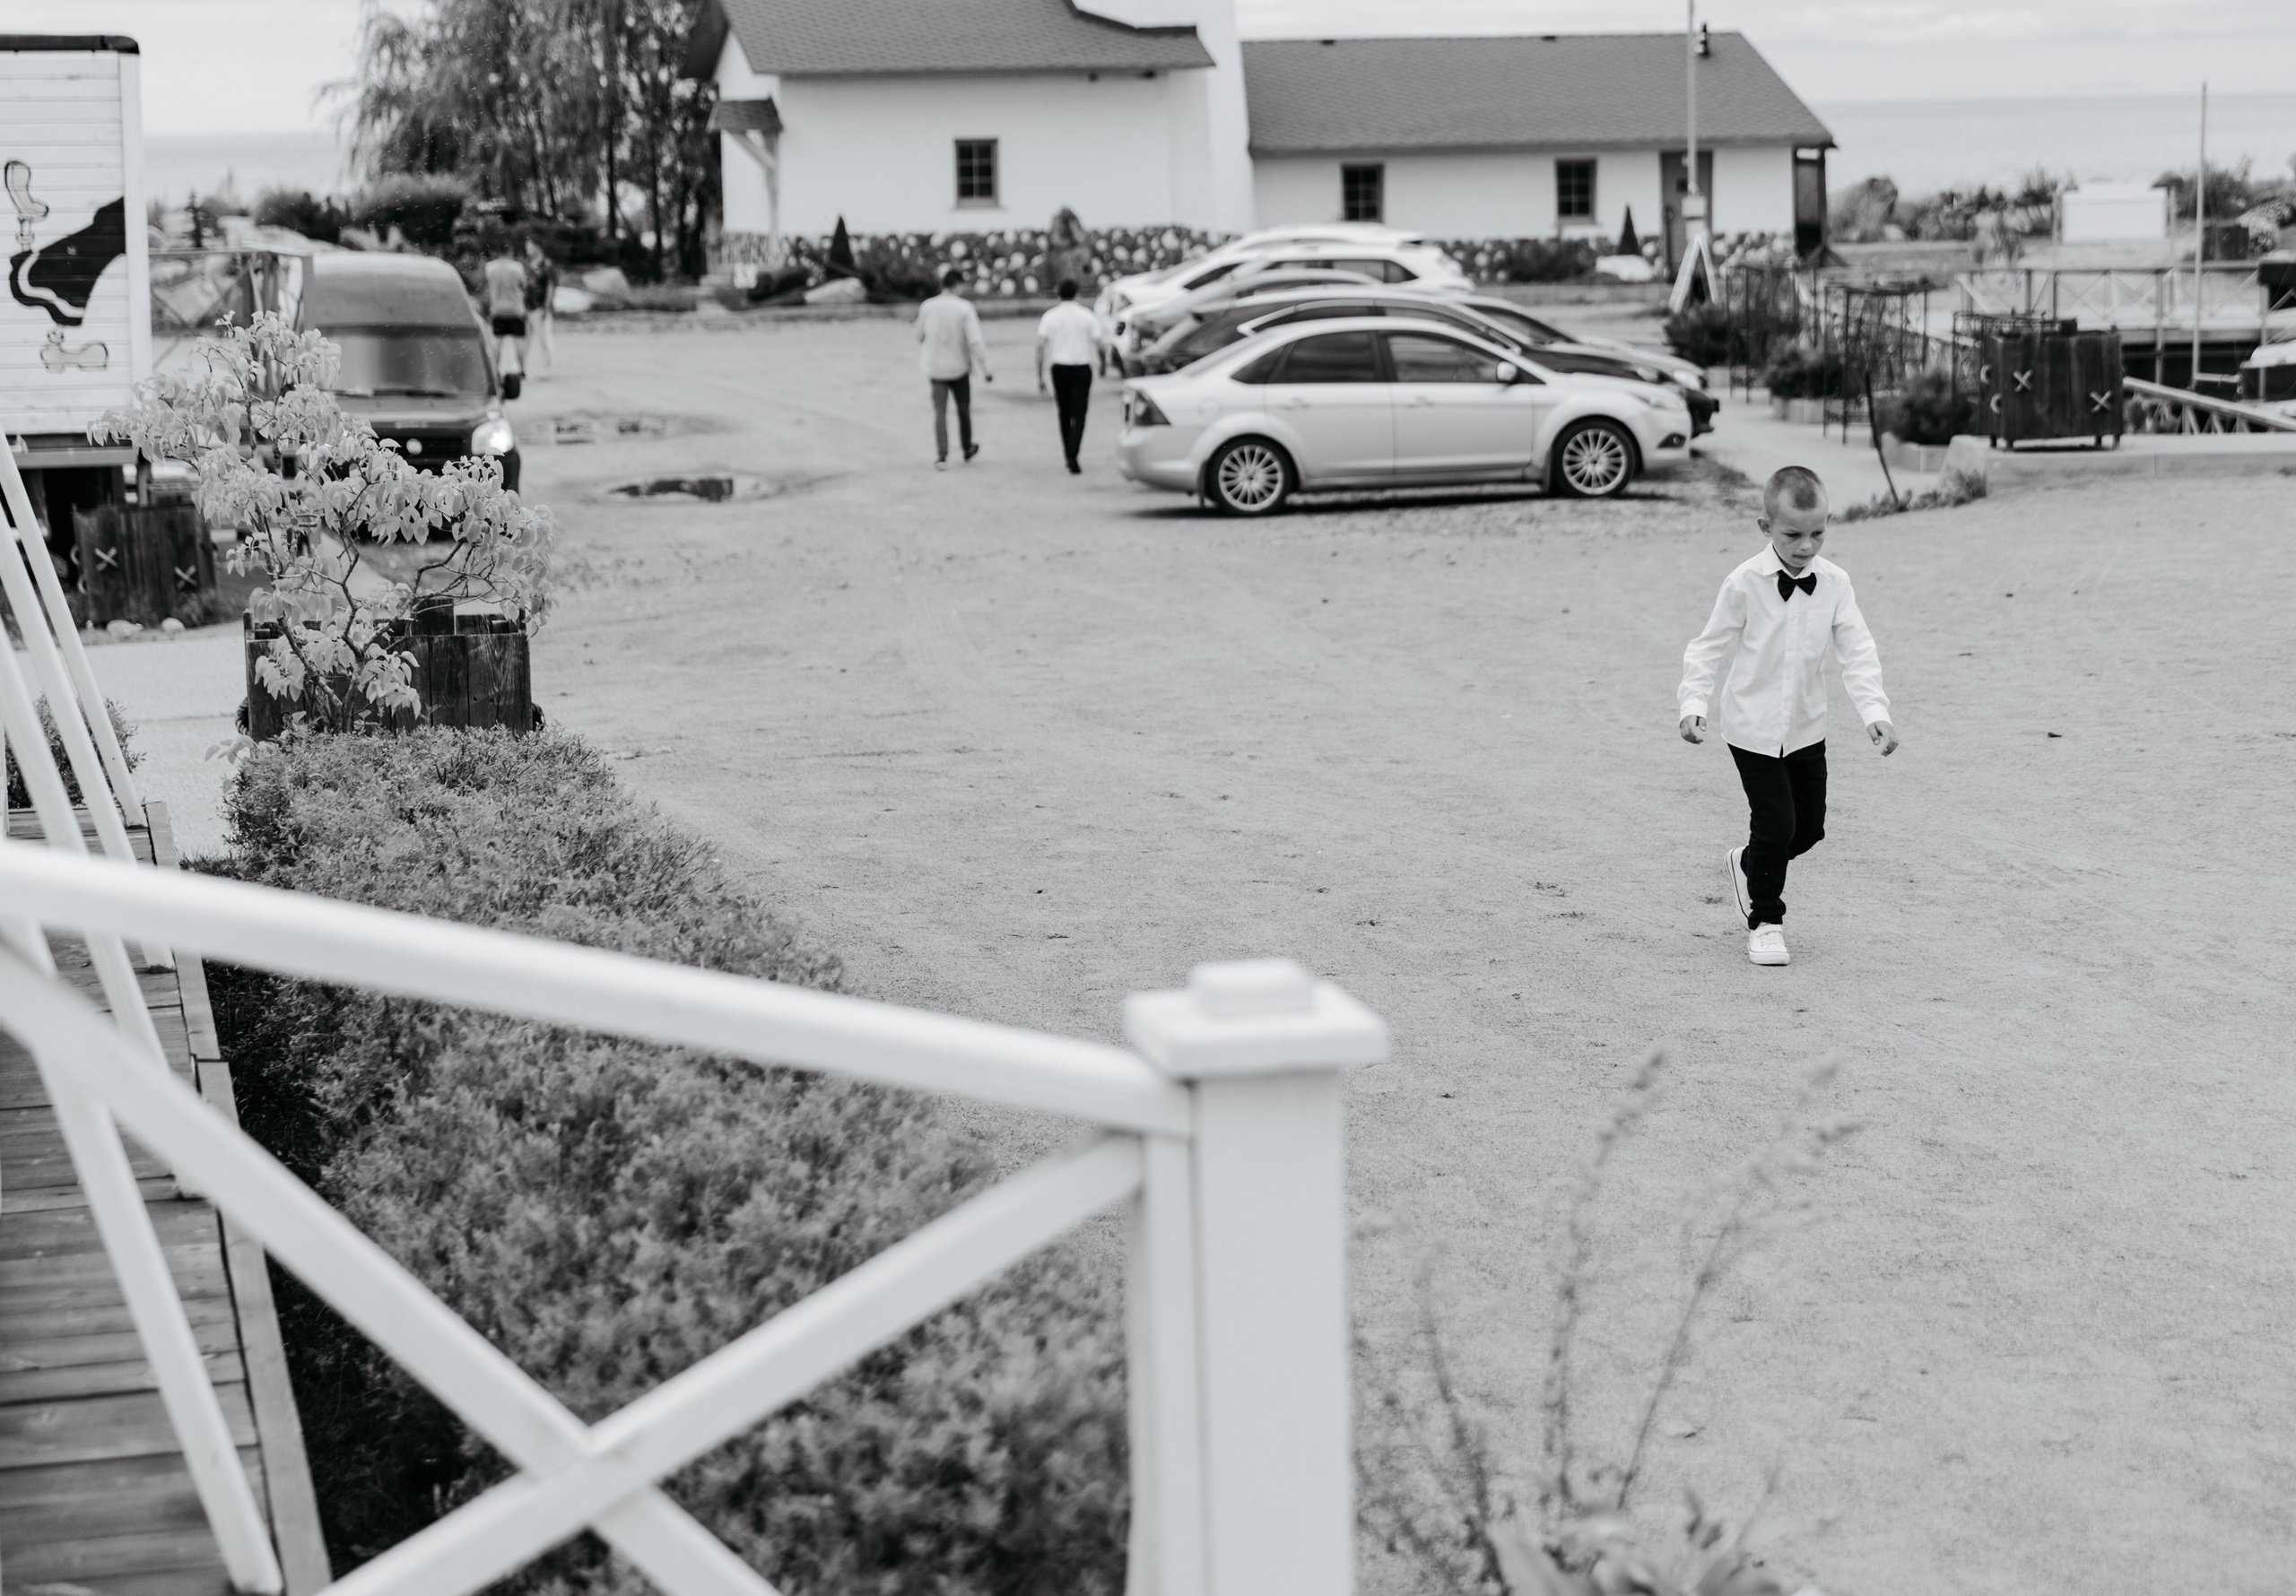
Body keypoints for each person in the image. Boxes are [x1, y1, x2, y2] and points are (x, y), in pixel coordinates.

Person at [1677, 465, 1897, 967]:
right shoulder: (1744, 583)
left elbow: (1857, 650)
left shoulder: (1835, 583)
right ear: (1766, 527)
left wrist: (1874, 711)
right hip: (1751, 728)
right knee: (1776, 825)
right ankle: (1766, 922)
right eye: (1793, 535)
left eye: (1817, 533)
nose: (1806, 546)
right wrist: (1693, 704)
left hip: (1805, 727)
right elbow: (1708, 647)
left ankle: (1748, 862)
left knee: (1809, 828)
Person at [916, 267, 992, 468]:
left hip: (936, 368)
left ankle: (942, 455)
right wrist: (985, 369)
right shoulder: (964, 308)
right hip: (959, 367)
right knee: (963, 409)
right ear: (957, 285)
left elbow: (919, 335)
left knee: (940, 411)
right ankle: (966, 447)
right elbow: (975, 341)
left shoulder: (927, 306)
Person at [1035, 279, 1107, 474]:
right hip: (1081, 367)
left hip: (1059, 368)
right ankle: (1074, 452)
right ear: (1077, 293)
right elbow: (1100, 345)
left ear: (1058, 294)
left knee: (1064, 412)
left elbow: (1040, 347)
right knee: (1080, 413)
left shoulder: (1050, 316)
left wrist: (1039, 375)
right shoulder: (1086, 315)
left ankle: (1068, 451)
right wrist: (1103, 365)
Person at [483, 250, 529, 387]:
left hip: (498, 309)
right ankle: (522, 370)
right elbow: (524, 285)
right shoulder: (517, 267)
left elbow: (489, 285)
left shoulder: (490, 267)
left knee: (497, 342)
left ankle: (495, 370)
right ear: (510, 252)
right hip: (516, 309)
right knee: (519, 341)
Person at [522, 239, 558, 377]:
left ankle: (547, 367)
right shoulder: (527, 264)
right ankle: (521, 366)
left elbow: (551, 286)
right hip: (527, 307)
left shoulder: (546, 265)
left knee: (544, 338)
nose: (527, 248)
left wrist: (546, 306)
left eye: (529, 245)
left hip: (540, 307)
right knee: (525, 338)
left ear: (537, 246)